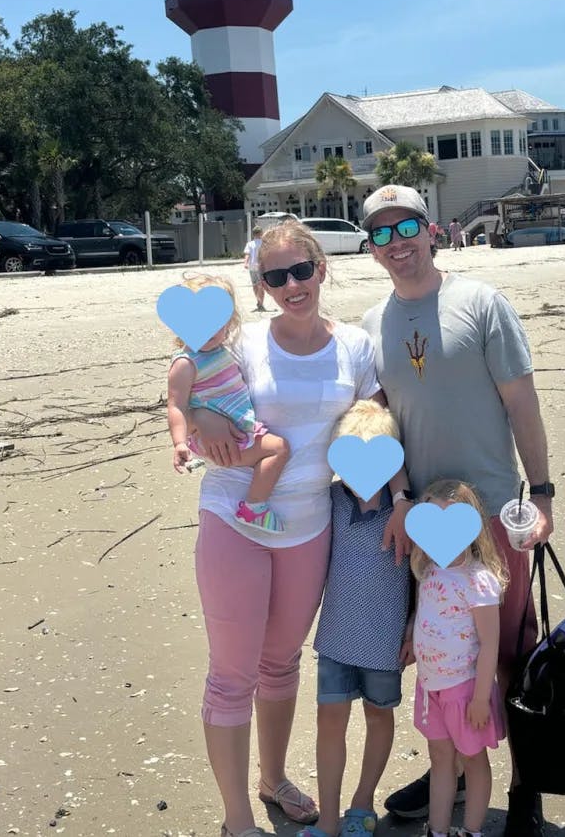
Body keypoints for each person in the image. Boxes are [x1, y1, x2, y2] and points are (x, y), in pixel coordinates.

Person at [186, 220, 413, 837]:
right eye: (276, 276)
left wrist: (399, 497)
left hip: (310, 522)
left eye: (301, 271)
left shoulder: (356, 348)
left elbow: (376, 426)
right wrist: (199, 430)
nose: (292, 285)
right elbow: (191, 387)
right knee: (232, 674)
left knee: (280, 662)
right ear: (260, 285)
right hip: (235, 512)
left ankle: (272, 778)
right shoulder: (246, 347)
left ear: (321, 268)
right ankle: (238, 820)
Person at [359, 184, 555, 836]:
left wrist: (543, 493)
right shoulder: (371, 324)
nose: (397, 244)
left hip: (492, 512)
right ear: (371, 248)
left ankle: (524, 785)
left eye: (406, 227)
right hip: (421, 525)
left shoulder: (481, 303)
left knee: (506, 652)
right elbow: (377, 425)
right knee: (439, 651)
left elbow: (522, 403)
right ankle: (448, 757)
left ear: (431, 229)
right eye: (381, 234)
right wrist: (397, 499)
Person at [301, 399, 412, 837]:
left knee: (379, 717)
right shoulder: (329, 499)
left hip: (385, 641)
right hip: (335, 638)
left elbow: (423, 575)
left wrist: (413, 626)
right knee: (329, 721)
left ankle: (362, 804)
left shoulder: (405, 511)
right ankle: (327, 819)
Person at [409, 479, 508, 837]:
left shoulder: (479, 580)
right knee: (439, 759)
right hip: (430, 684)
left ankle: (472, 830)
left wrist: (482, 698)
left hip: (465, 690)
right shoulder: (429, 568)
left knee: (473, 760)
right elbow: (427, 614)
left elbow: (490, 644)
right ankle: (437, 829)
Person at [166, 273, 290, 537]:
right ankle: (254, 507)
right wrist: (179, 443)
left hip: (236, 430)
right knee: (278, 449)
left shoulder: (222, 351)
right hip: (228, 442)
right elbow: (176, 406)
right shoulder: (186, 363)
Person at [244, 226, 268, 312]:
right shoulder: (264, 243)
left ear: (253, 234)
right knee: (261, 285)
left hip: (252, 267)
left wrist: (245, 263)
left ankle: (258, 301)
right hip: (261, 266)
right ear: (261, 233)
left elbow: (247, 254)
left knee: (255, 285)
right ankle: (261, 303)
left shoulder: (249, 244)